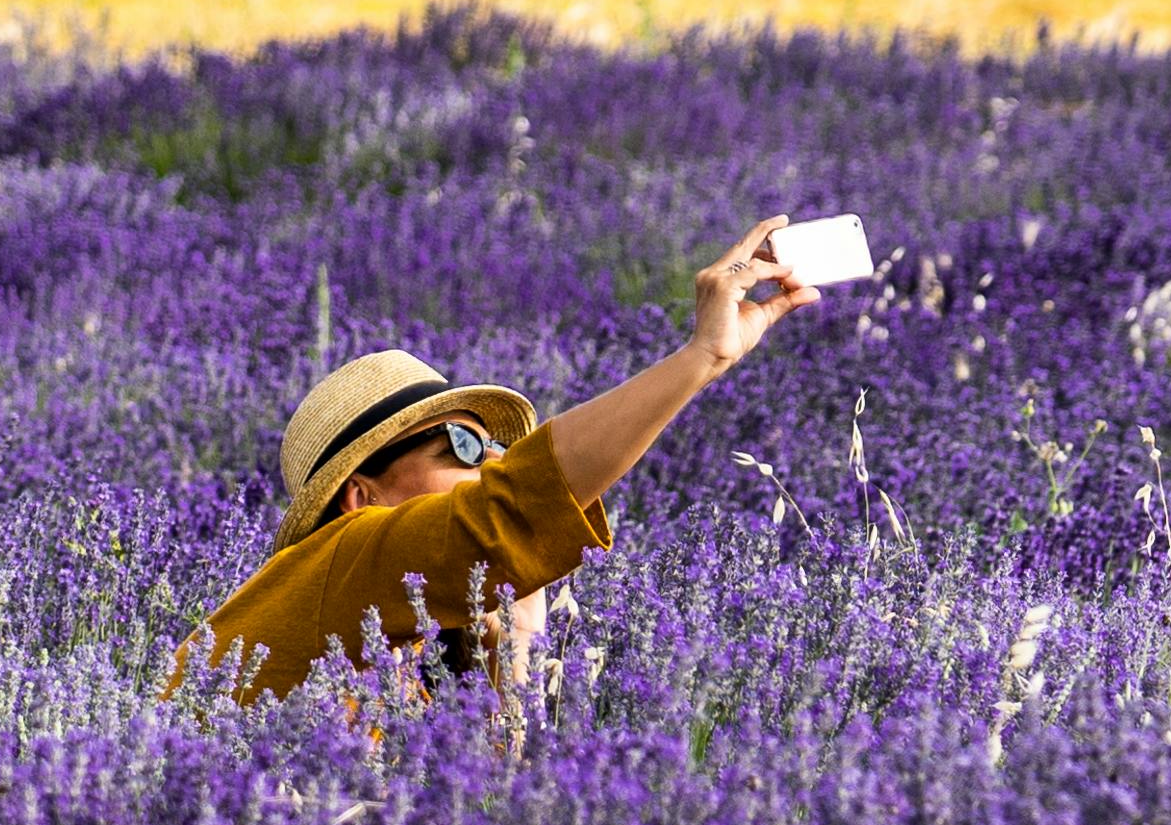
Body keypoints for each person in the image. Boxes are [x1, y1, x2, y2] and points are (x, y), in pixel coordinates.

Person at [189, 215, 827, 709]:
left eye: (495, 448)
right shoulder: (345, 559)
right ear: (362, 496)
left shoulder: (405, 649)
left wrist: (514, 647)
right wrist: (701, 358)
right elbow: (514, 505)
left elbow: (492, 808)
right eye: (463, 448)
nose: (495, 460)